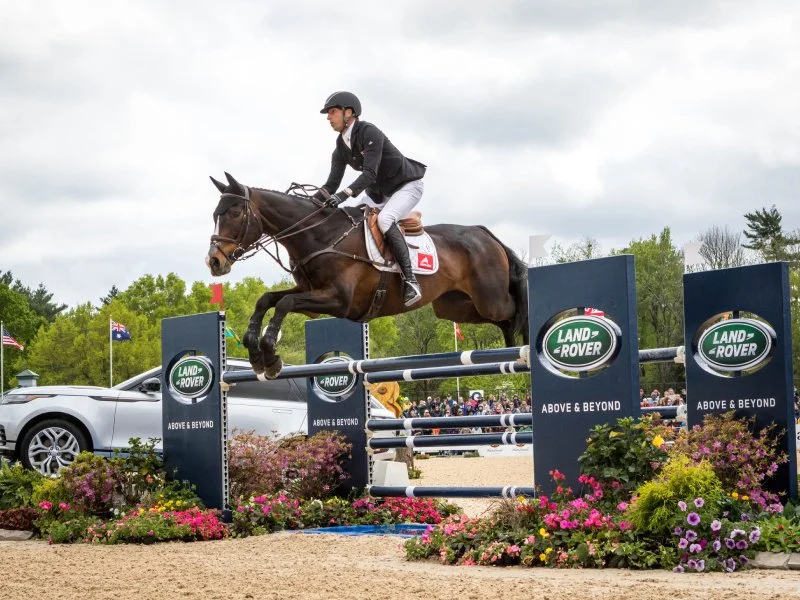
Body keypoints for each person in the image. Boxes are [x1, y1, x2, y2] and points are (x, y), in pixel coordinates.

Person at [314, 91, 427, 307]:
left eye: (333, 112)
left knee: (385, 220)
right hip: (379, 194)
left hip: (406, 186)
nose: (328, 117)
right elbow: (331, 185)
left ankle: (411, 280)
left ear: (349, 112)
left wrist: (344, 195)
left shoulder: (368, 132)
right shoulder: (341, 146)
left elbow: (369, 174)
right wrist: (311, 203)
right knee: (351, 219)